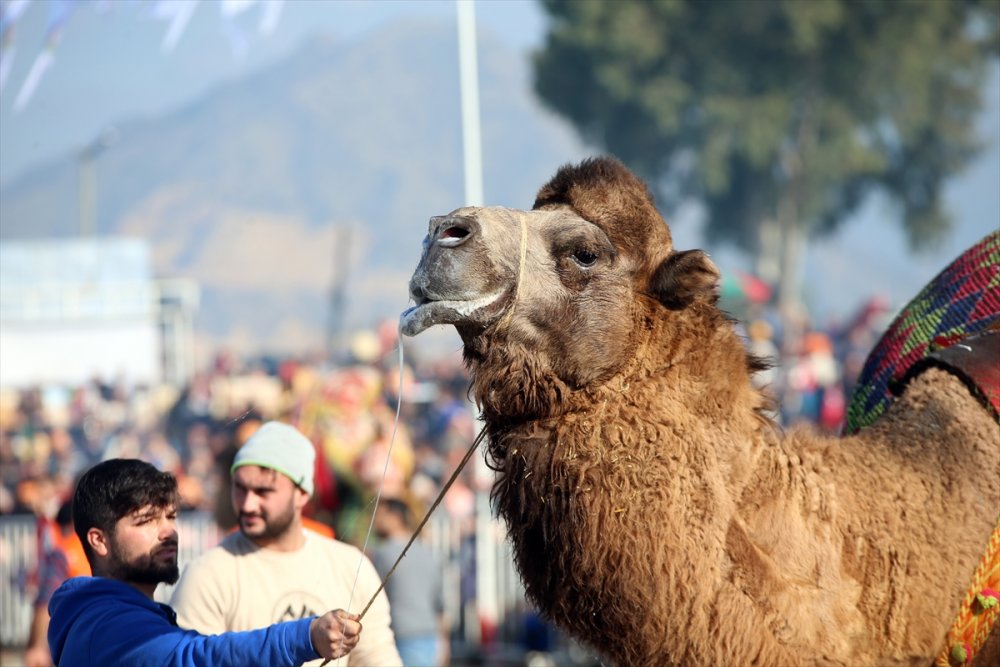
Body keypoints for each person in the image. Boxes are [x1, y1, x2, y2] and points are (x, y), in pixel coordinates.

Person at [47, 458, 363, 667]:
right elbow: (199, 658)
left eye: (170, 517)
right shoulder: (107, 623)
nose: (168, 531)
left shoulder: (109, 614)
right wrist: (306, 636)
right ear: (99, 540)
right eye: (146, 522)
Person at [171, 421, 402, 666]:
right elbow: (190, 659)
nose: (248, 504)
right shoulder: (207, 573)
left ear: (302, 493)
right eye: (240, 488)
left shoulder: (350, 564)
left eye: (263, 491)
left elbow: (377, 657)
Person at [372, 498, 449, 667]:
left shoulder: (384, 554)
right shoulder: (428, 553)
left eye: (381, 515)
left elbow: (373, 600)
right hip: (430, 637)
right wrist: (444, 641)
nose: (375, 521)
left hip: (401, 636)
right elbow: (440, 604)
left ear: (396, 517)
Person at [25, 499, 90, 667]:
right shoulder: (102, 548)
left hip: (74, 639)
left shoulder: (62, 552)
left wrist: (37, 646)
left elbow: (46, 599)